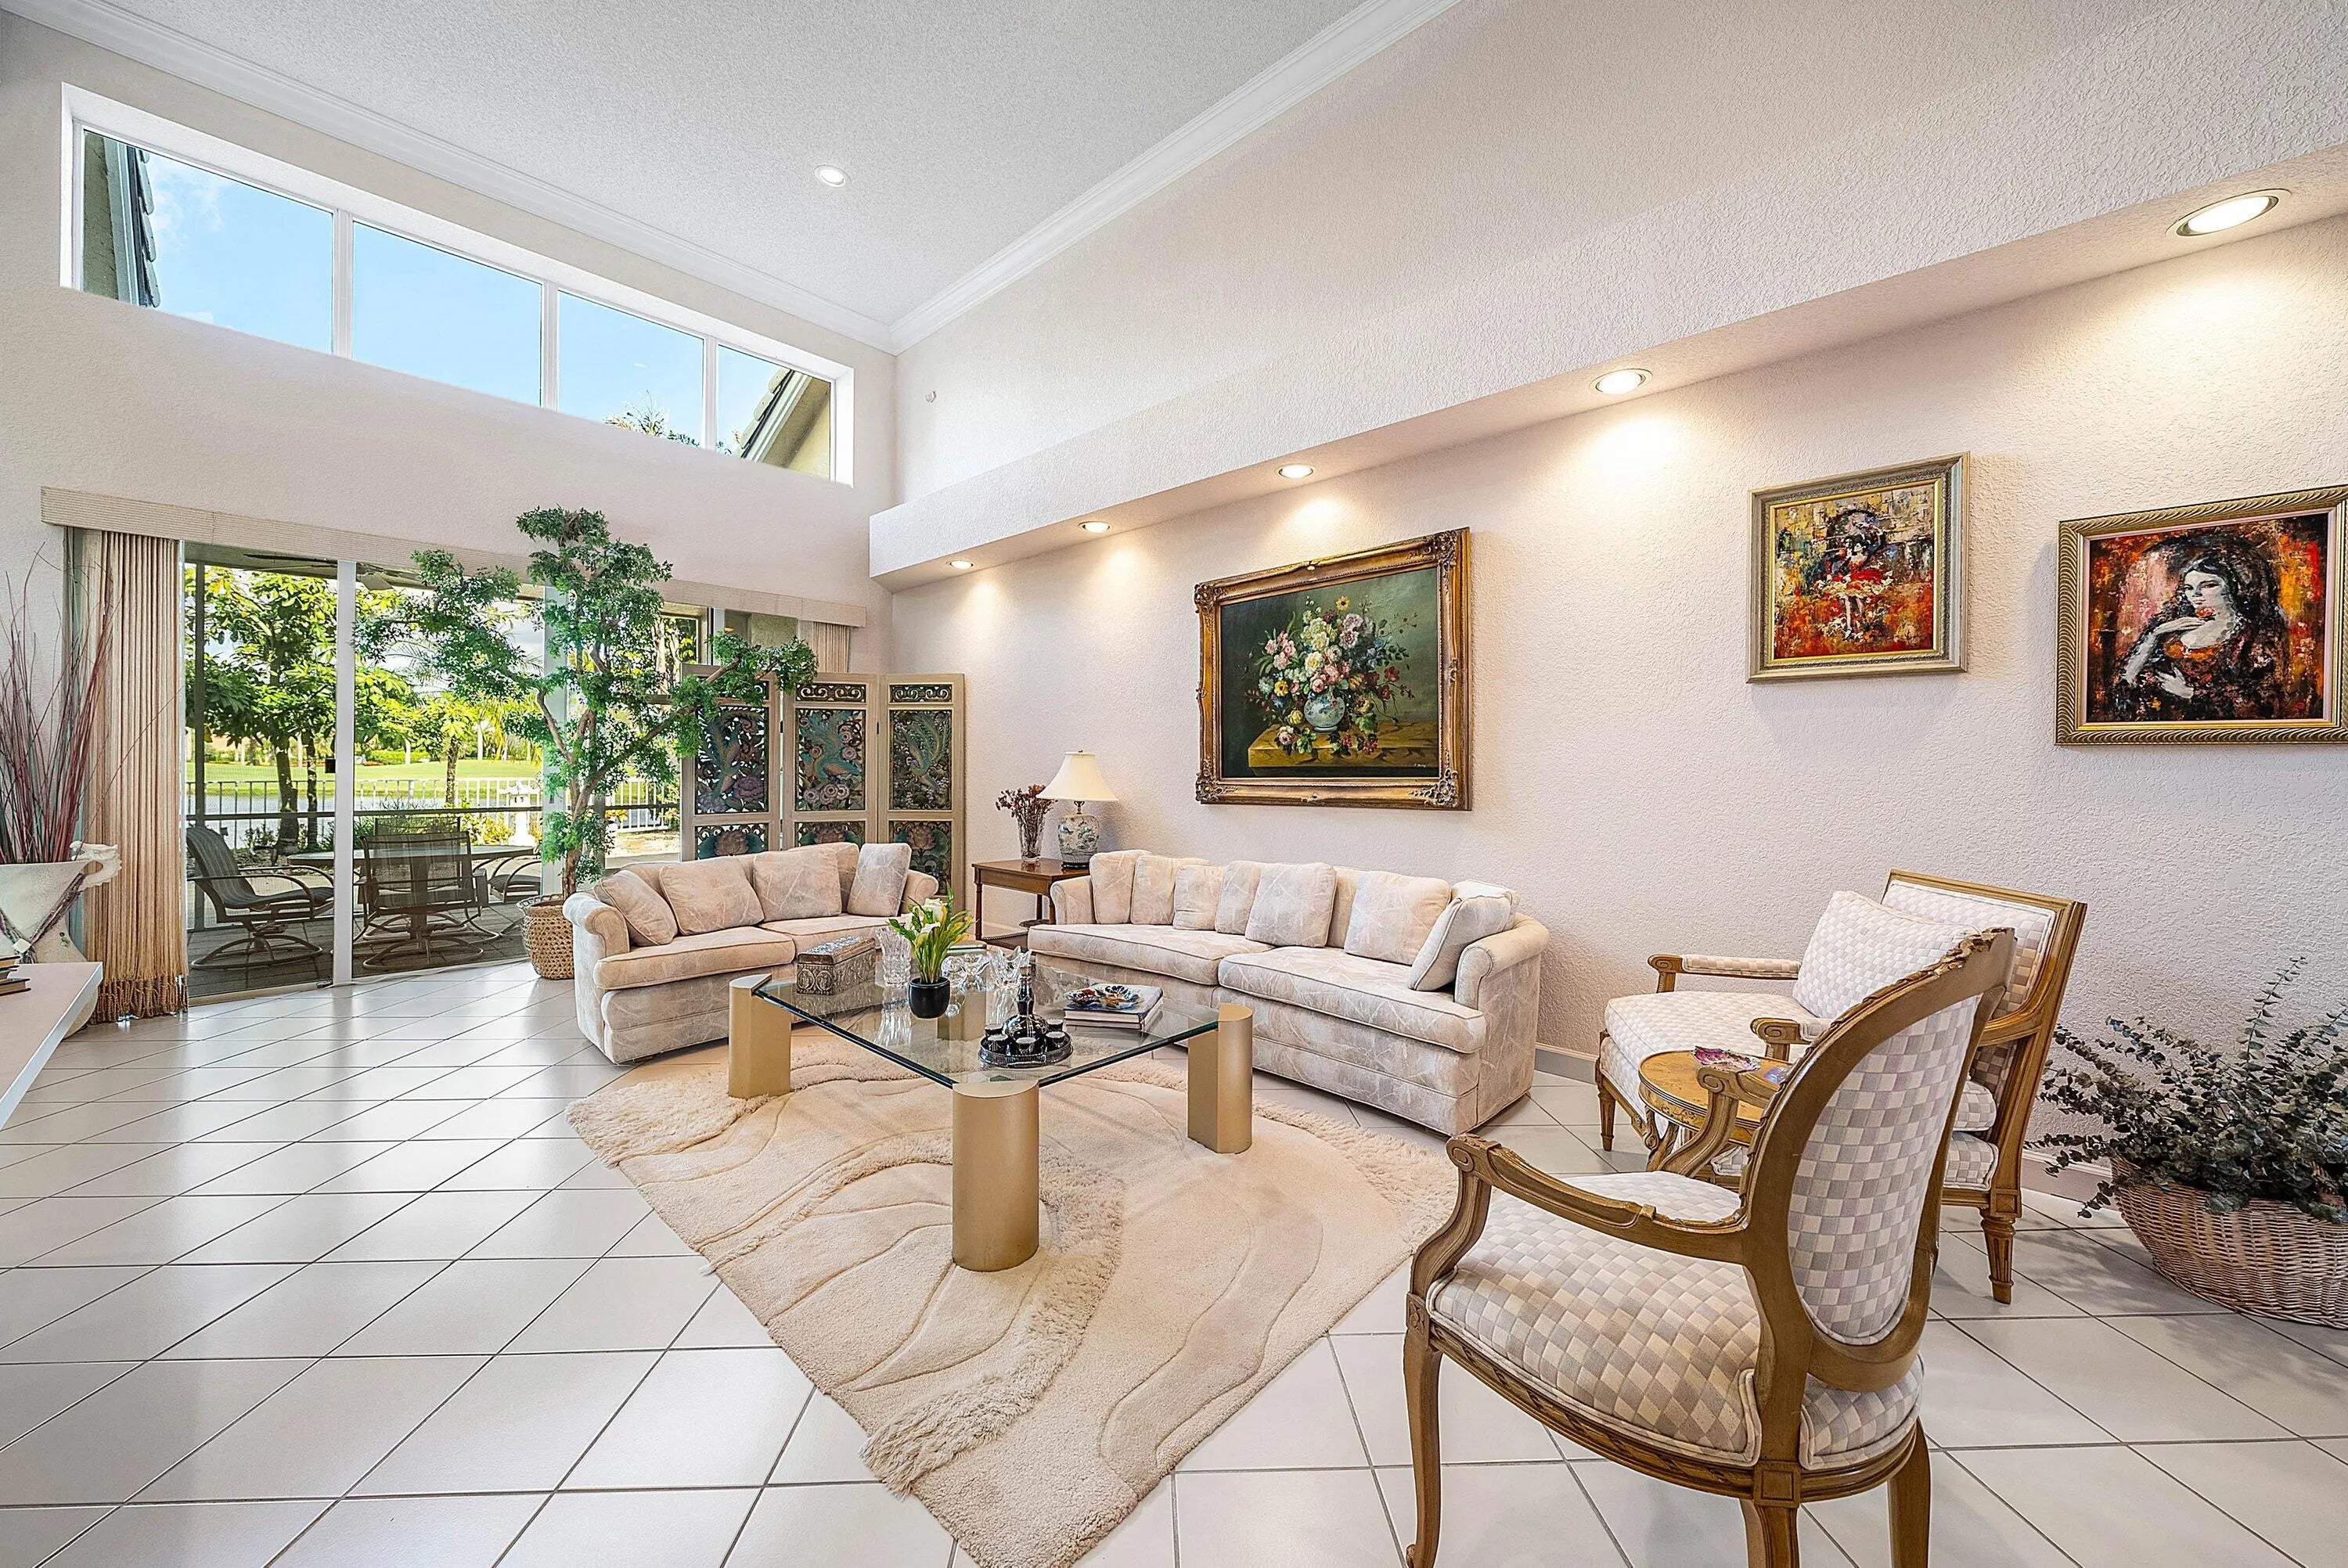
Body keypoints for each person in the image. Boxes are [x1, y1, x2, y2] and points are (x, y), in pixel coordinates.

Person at [2114, 545, 2289, 719]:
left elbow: (2262, 704)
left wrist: (2190, 693)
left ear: (2234, 587)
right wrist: (2155, 634)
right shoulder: (2171, 625)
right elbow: (2126, 680)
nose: (2196, 595)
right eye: (2189, 588)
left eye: (2208, 585)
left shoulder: (2251, 636)